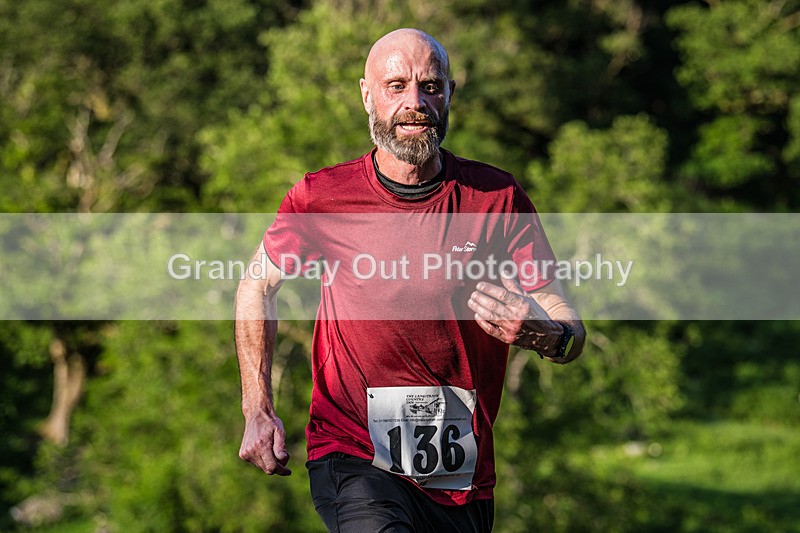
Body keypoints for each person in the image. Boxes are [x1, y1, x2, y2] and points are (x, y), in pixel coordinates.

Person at [235, 28, 585, 532]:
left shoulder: (496, 197)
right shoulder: (322, 197)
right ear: (367, 95)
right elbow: (256, 286)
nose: (415, 103)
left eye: (430, 86)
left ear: (449, 95)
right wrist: (258, 408)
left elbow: (571, 329)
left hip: (461, 478)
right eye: (396, 86)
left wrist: (546, 333)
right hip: (353, 453)